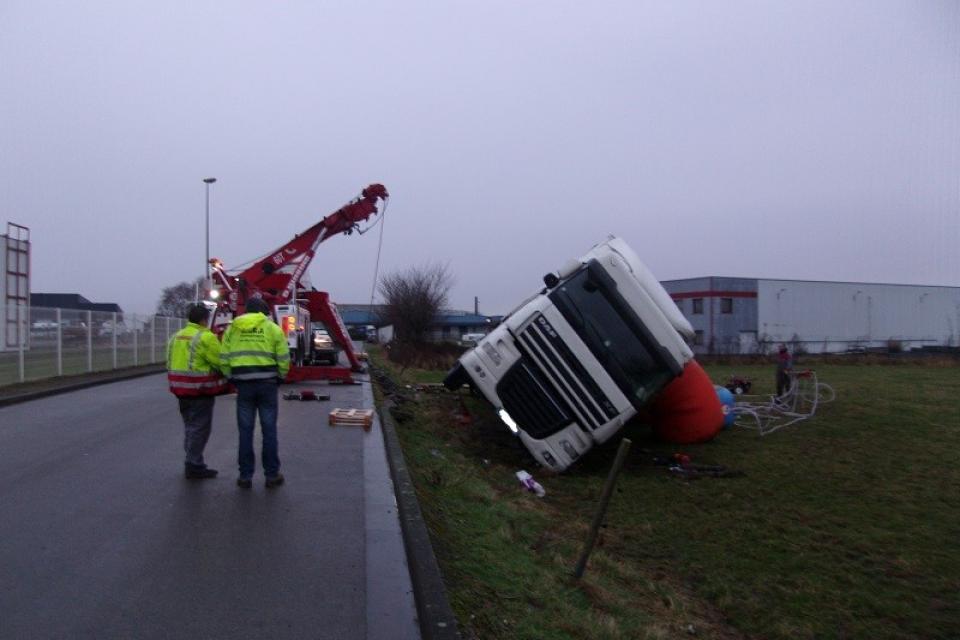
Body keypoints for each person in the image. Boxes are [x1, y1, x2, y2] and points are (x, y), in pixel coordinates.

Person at [221, 297, 290, 489]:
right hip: (267, 384)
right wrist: (281, 376)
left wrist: (230, 377)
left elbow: (224, 356)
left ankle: (245, 476)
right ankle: (272, 475)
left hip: (243, 385)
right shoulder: (272, 328)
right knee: (269, 430)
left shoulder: (233, 328)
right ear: (263, 312)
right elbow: (283, 356)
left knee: (245, 431)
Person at [166, 303, 228, 479]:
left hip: (180, 390)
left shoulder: (176, 337)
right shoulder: (206, 337)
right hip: (200, 390)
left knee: (190, 426)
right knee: (200, 428)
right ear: (203, 320)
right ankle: (193, 464)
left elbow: (169, 362)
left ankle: (193, 461)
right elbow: (220, 362)